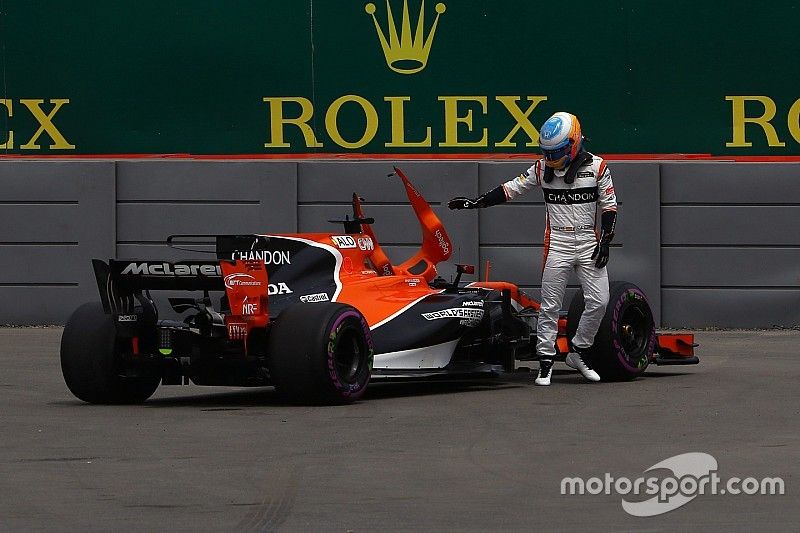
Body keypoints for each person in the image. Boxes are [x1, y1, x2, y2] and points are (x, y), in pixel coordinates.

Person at [448, 112, 617, 386]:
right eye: (547, 152)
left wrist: (606, 240)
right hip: (558, 243)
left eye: (558, 151)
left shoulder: (598, 168)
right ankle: (546, 362)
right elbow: (511, 189)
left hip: (589, 241)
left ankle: (579, 350)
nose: (552, 158)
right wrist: (475, 203)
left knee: (600, 300)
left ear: (573, 144)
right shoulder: (541, 169)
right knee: (550, 306)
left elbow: (609, 205)